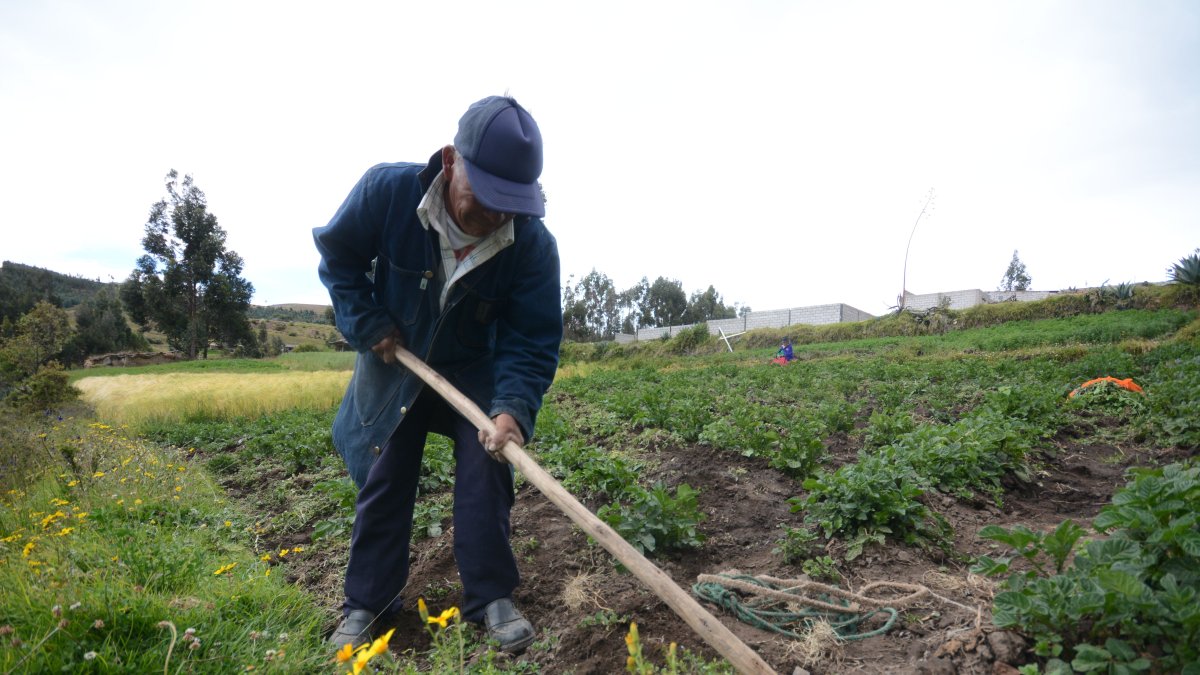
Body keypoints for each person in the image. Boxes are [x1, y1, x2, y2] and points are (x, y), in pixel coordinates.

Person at [312, 95, 562, 655]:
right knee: (387, 472)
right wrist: (367, 321)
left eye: (510, 204)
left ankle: (491, 597)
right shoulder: (387, 193)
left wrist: (512, 409)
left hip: (473, 370)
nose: (495, 217)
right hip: (393, 358)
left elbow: (532, 339)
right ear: (451, 162)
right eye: (485, 198)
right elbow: (339, 259)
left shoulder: (532, 247)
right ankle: (367, 604)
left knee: (487, 465)